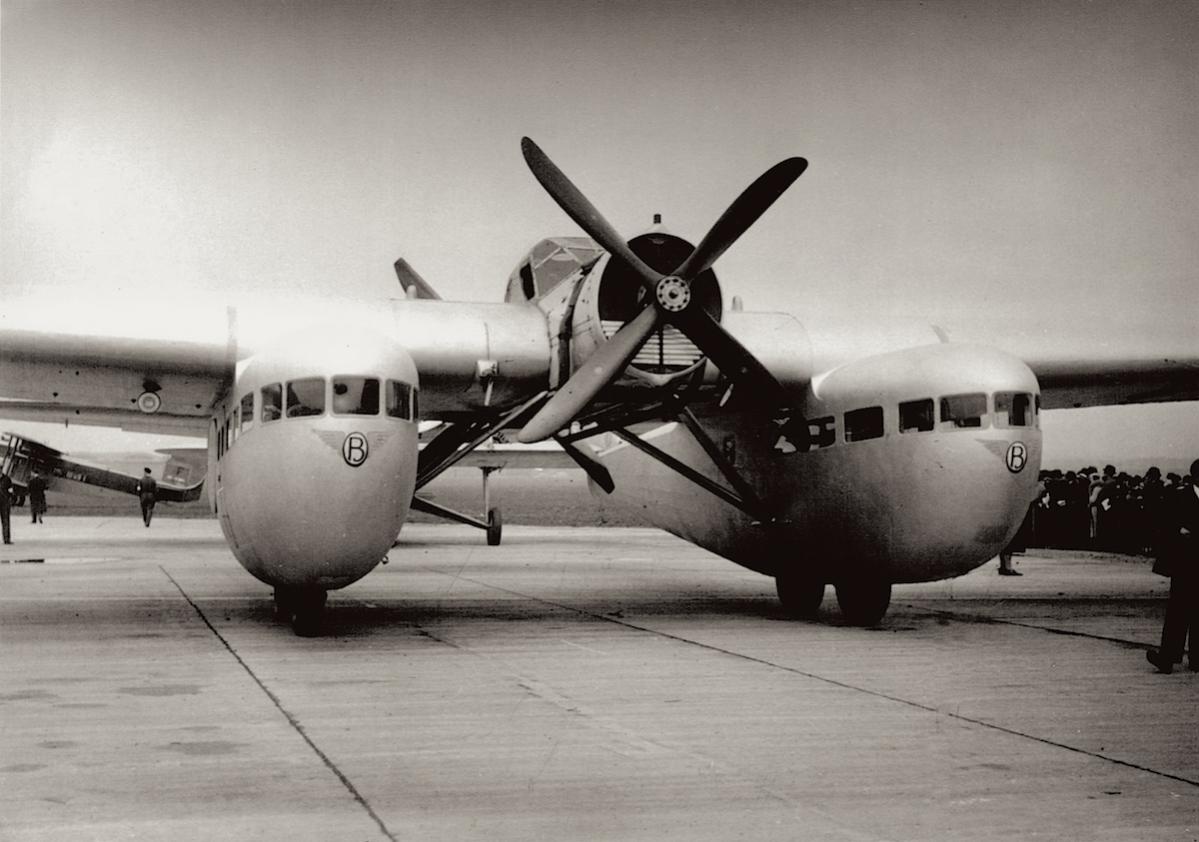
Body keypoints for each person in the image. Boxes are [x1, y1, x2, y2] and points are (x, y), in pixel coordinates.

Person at [1145, 459, 1199, 674]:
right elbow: (1164, 525)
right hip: (1185, 563)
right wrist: (1178, 532)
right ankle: (1168, 657)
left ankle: (1196, 659)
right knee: (1178, 611)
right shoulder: (1178, 497)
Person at [0, 469, 13, 544]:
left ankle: (6, 539)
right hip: (5, 501)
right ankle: (7, 538)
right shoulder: (7, 479)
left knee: (5, 521)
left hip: (5, 502)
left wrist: (10, 498)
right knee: (5, 521)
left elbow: (10, 490)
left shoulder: (7, 479)